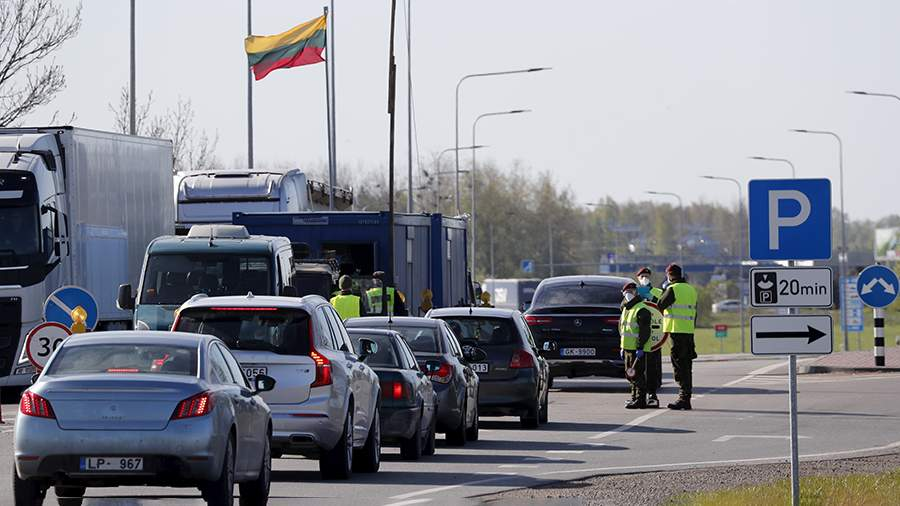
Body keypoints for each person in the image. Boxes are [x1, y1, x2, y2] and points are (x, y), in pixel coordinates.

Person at [655, 263, 698, 410]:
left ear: (669, 275)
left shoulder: (672, 289)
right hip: (689, 332)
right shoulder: (691, 289)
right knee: (687, 365)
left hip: (676, 331)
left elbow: (660, 305)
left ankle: (683, 398)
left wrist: (659, 291)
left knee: (679, 366)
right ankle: (686, 398)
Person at [619, 282, 662, 409]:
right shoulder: (627, 308)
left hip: (637, 348)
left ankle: (640, 399)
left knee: (637, 375)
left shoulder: (641, 309)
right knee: (630, 375)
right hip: (627, 347)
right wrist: (622, 347)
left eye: (631, 292)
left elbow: (645, 331)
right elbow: (623, 328)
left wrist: (640, 347)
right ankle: (634, 397)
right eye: (626, 292)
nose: (628, 295)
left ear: (636, 293)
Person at [635, 267, 663, 408]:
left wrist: (651, 296)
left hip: (654, 335)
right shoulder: (633, 292)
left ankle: (652, 393)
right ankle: (638, 395)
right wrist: (639, 296)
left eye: (646, 275)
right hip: (638, 336)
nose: (644, 277)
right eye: (642, 276)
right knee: (638, 368)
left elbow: (663, 306)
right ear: (637, 278)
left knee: (652, 367)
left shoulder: (657, 292)